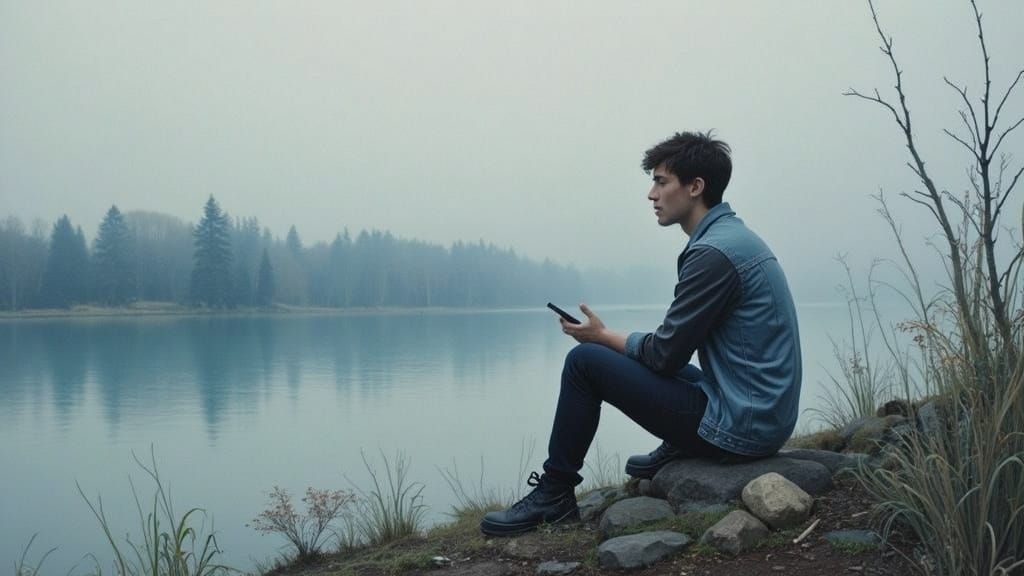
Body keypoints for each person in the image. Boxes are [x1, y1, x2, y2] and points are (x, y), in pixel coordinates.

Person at [479, 131, 802, 537]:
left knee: (584, 363)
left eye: (661, 181)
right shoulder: (731, 239)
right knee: (630, 357)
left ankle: (555, 493)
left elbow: (665, 356)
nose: (651, 194)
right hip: (757, 411)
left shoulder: (713, 255)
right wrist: (615, 340)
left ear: (695, 187)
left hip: (743, 425)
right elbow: (673, 351)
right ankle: (680, 441)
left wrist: (600, 337)